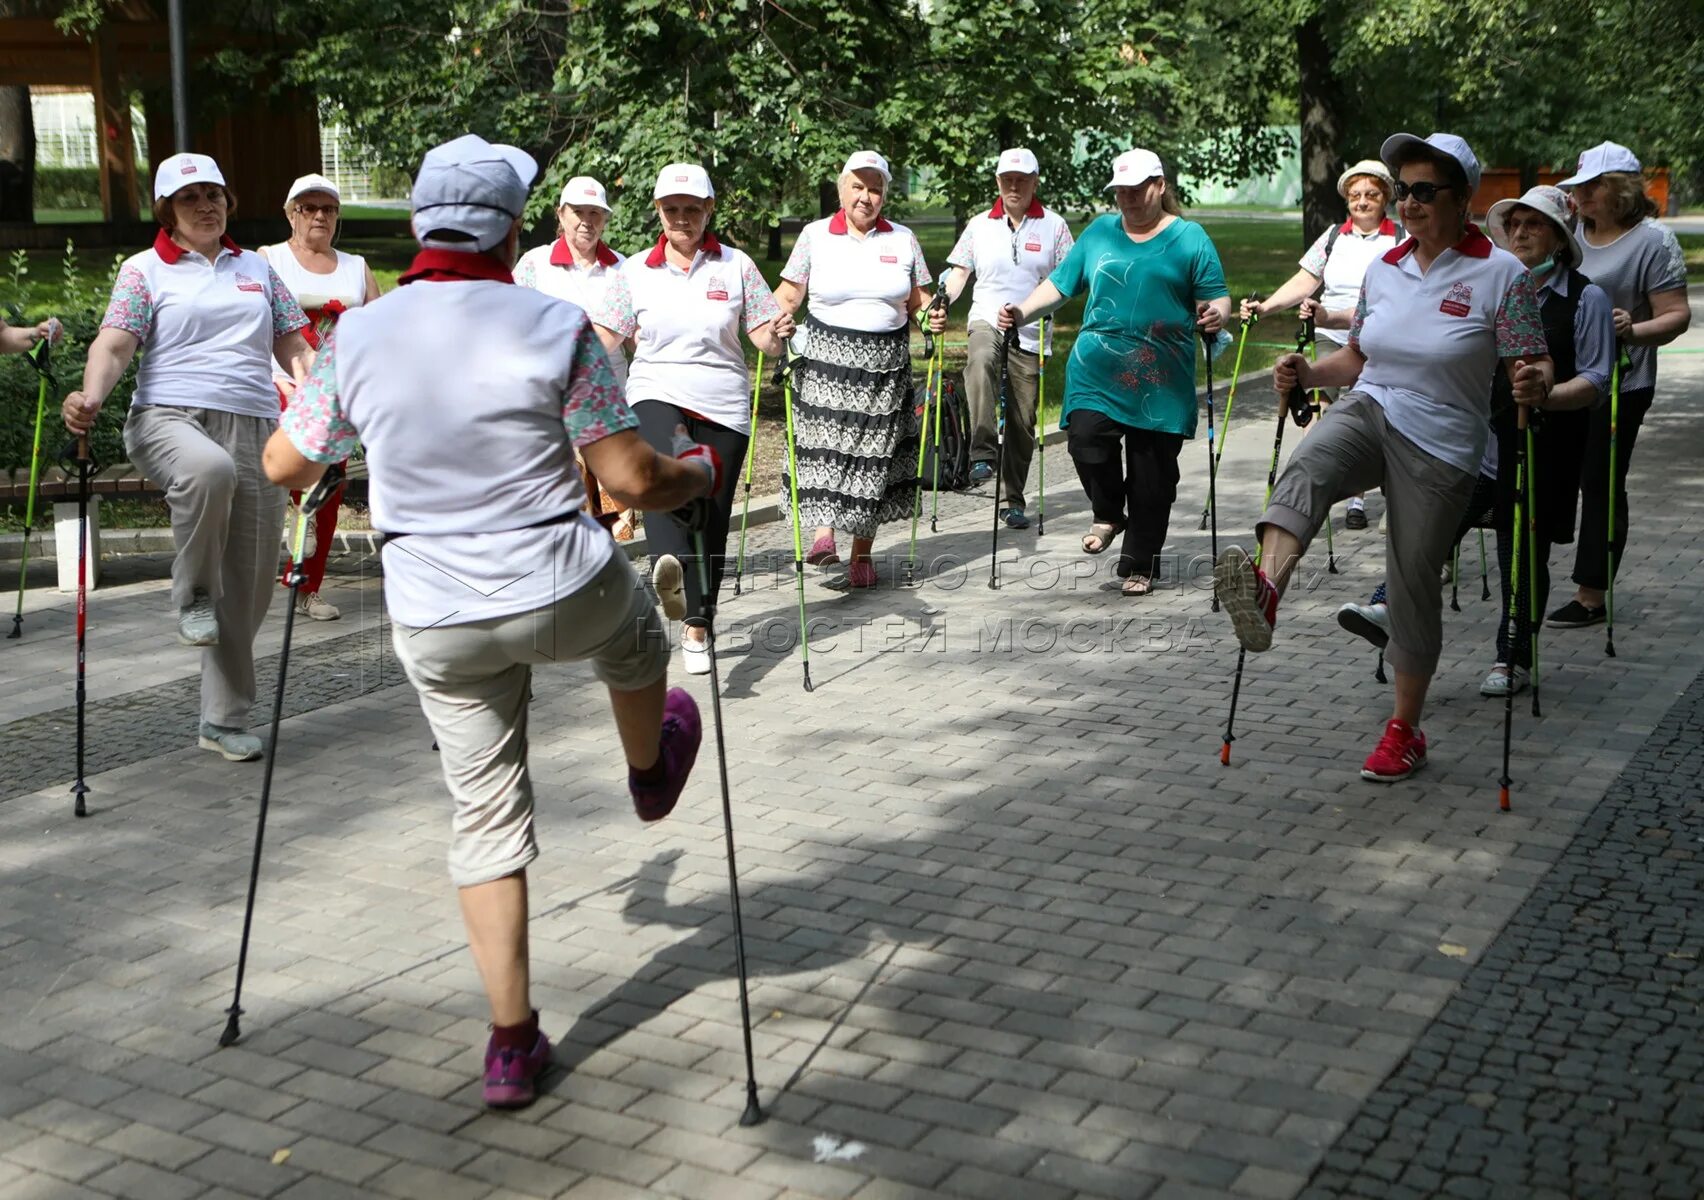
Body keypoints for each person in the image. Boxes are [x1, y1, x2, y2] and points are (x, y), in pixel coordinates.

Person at [262, 134, 722, 1110]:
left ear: (421, 226)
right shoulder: (552, 322)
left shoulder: (360, 335)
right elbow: (633, 477)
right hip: (558, 581)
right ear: (514, 230)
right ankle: (648, 774)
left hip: (435, 611)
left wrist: (347, 436)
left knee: (485, 817)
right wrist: (702, 474)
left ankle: (511, 1043)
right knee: (639, 640)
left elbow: (282, 466)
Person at [1214, 132, 1552, 781]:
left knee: (1412, 579)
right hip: (1374, 405)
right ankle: (1264, 591)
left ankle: (1405, 730)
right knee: (1310, 466)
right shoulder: (1383, 268)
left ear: (1463, 200)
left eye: (1426, 191)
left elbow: (1531, 359)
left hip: (1446, 439)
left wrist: (1534, 381)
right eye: (1405, 191)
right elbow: (1359, 357)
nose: (1410, 203)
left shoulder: (1500, 274)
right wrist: (1308, 372)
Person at [63, 152, 313, 763]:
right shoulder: (144, 269)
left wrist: (316, 392)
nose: (205, 206)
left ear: (228, 203)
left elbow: (291, 341)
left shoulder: (256, 268)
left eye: (214, 195)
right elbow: (115, 342)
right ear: (167, 211)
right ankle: (192, 593)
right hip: (169, 418)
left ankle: (222, 721)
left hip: (256, 425)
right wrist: (92, 394)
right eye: (189, 197)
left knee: (252, 586)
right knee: (208, 470)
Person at [1334, 186, 1615, 698]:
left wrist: (1546, 392)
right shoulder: (1486, 280)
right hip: (1476, 446)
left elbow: (1596, 380)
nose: (1523, 233)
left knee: (1520, 553)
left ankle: (1514, 657)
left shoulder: (1586, 297)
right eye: (1516, 225)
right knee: (1428, 531)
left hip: (1542, 447)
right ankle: (1388, 605)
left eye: (1537, 225)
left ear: (1559, 238)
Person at [998, 148, 1230, 596]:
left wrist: (1216, 314)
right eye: (1120, 191)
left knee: (1152, 474)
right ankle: (1108, 513)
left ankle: (1139, 560)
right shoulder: (1101, 232)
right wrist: (1022, 312)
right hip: (1097, 368)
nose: (1127, 199)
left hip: (1160, 375)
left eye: (1136, 190)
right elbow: (1061, 283)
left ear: (1159, 186)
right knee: (1085, 439)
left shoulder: (1190, 238)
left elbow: (1216, 295)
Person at [591, 163, 794, 674]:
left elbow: (764, 337)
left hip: (723, 404)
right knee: (661, 478)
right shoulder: (633, 271)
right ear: (658, 212)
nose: (681, 218)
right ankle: (672, 570)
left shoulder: (737, 266)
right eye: (671, 209)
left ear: (708, 210)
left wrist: (780, 333)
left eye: (691, 208)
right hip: (657, 392)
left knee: (710, 516)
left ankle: (698, 622)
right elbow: (605, 338)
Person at [771, 150, 946, 588]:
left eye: (875, 188)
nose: (866, 197)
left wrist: (931, 318)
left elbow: (918, 302)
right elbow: (789, 295)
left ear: (885, 193)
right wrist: (769, 319)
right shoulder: (815, 236)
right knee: (825, 448)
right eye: (858, 186)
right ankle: (823, 536)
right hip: (827, 360)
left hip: (885, 367)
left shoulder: (902, 239)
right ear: (841, 188)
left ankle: (861, 554)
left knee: (874, 460)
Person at [1547, 141, 1690, 629]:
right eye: (1579, 187)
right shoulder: (1568, 231)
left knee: (1600, 482)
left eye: (1593, 186)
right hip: (1561, 375)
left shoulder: (1653, 241)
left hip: (1622, 384)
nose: (1582, 195)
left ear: (1623, 190)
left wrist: (1632, 329)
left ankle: (1591, 594)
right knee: (1551, 473)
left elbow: (1676, 317)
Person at [1242, 158, 1401, 529]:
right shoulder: (1332, 237)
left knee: (1366, 411)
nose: (1362, 201)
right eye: (1355, 195)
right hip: (1330, 335)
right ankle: (1320, 484)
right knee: (1321, 410)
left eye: (1371, 194)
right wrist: (1264, 308)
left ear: (1386, 198)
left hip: (1380, 337)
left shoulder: (1402, 238)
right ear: (1346, 199)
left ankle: (1358, 499)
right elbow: (1304, 280)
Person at [259, 172, 381, 623]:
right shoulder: (268, 259)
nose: (319, 216)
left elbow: (377, 329)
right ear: (292, 215)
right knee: (305, 453)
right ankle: (291, 519)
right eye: (309, 208)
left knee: (329, 491)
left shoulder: (355, 266)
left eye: (328, 209)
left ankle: (309, 585)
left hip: (337, 391)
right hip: (279, 384)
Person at [938, 147, 1075, 528]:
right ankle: (982, 452)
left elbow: (1070, 278)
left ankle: (1013, 498)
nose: (1014, 186)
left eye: (1022, 179)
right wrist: (943, 299)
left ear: (1034, 182)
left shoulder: (1054, 226)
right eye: (1007, 180)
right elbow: (959, 273)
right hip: (986, 317)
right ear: (998, 182)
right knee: (980, 359)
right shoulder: (980, 224)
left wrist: (1037, 309)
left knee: (1022, 420)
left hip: (1030, 330)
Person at [516, 175, 638, 539]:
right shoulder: (534, 264)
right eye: (578, 212)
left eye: (595, 212)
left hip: (610, 401)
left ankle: (611, 582)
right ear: (561, 215)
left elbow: (637, 339)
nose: (587, 220)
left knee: (614, 515)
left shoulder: (625, 268)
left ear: (605, 218)